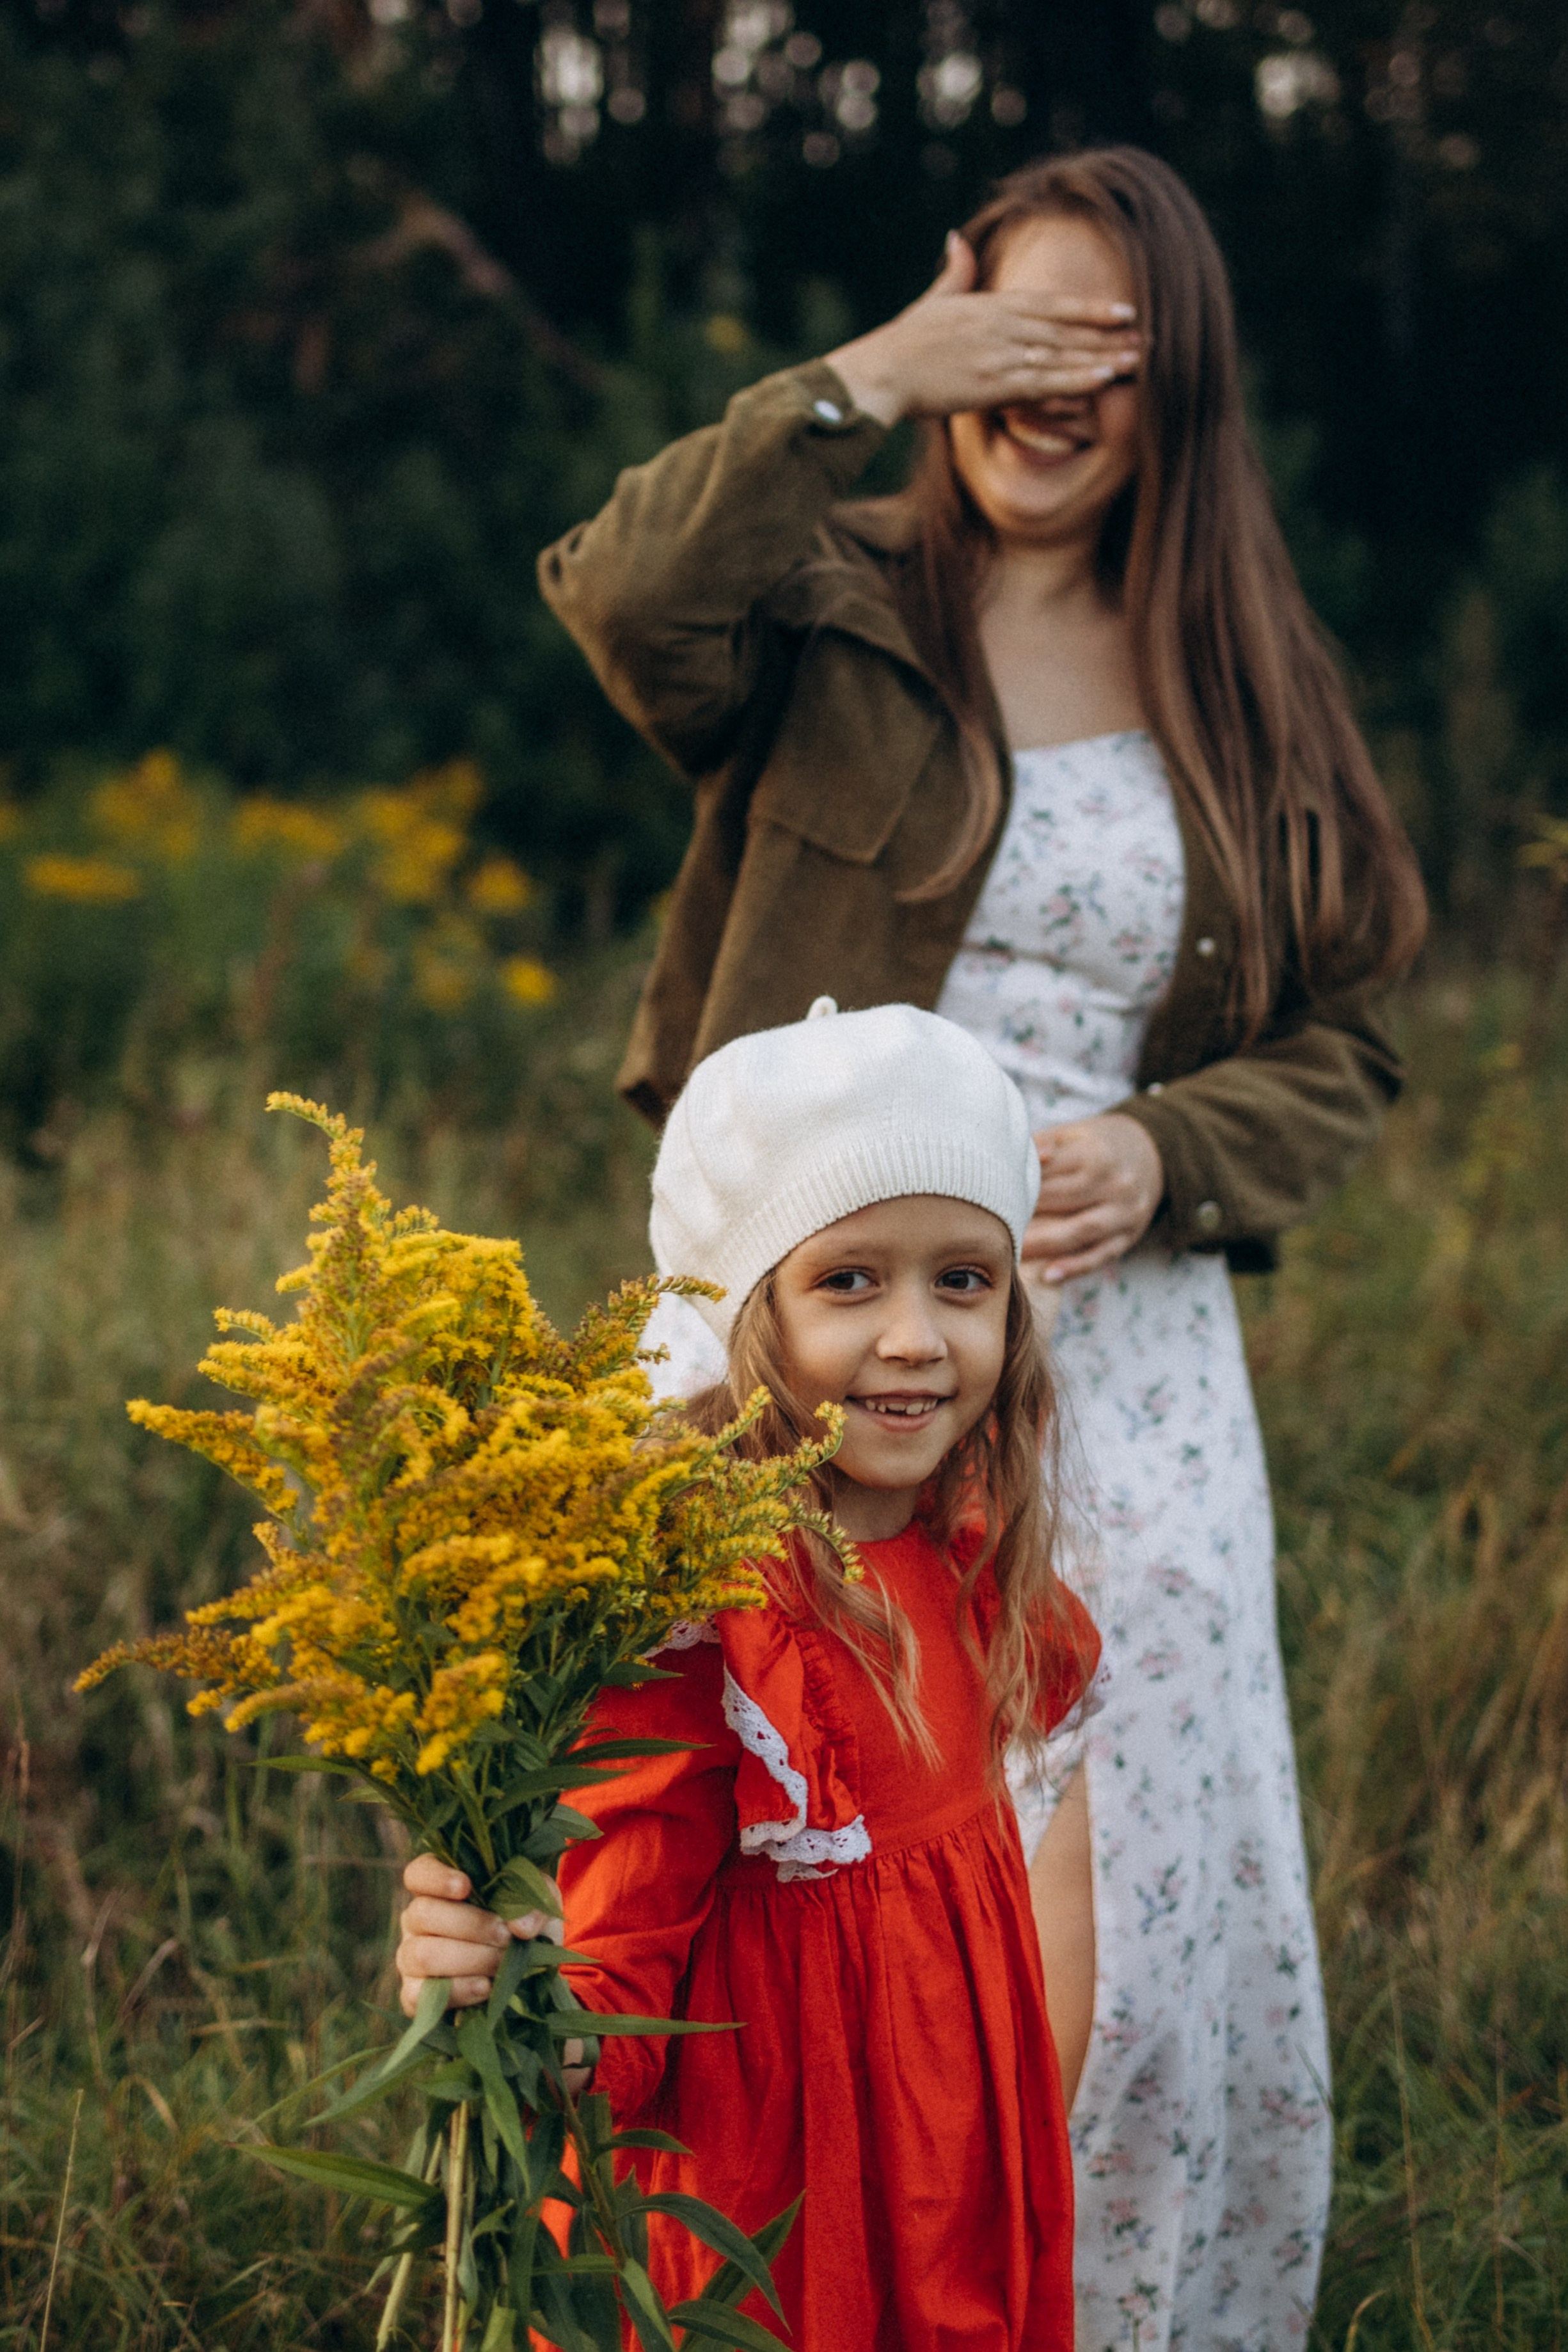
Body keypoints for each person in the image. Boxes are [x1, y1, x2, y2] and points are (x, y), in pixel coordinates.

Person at [533, 147, 1427, 2349]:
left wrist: (1176, 1143)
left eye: (1094, 347)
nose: (1041, 386)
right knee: (757, 1847)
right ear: (947, 342)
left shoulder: (1243, 672)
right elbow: (613, 590)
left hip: (1116, 1354)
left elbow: (1356, 1032)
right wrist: (857, 378)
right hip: (813, 1346)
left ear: (1177, 382)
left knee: (1129, 1869)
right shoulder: (824, 599)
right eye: (1005, 330)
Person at [397, 1001, 1103, 2351]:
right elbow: (616, 1966)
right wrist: (503, 1987)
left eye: (962, 1279)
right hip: (767, 2224)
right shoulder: (710, 1615)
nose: (914, 1335)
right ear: (744, 1315)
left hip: (949, 2180)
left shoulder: (975, 1560)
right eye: (848, 1281)